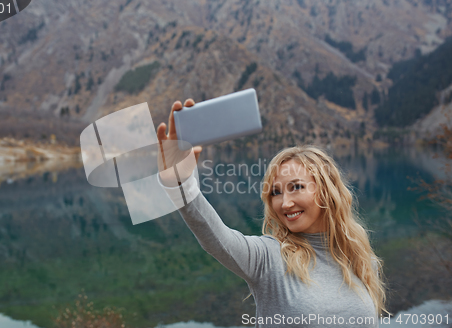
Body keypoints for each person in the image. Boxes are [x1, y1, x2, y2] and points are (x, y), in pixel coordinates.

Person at [156, 99, 386, 328]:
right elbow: (217, 239)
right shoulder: (269, 257)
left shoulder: (362, 261)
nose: (285, 203)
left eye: (296, 187)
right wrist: (181, 184)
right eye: (275, 192)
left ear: (326, 190)